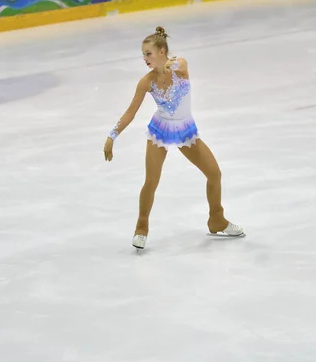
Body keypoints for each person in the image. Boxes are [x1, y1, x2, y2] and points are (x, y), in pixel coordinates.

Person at [104, 26, 244, 249]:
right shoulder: (146, 81)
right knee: (151, 181)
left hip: (186, 130)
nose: (144, 58)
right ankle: (141, 227)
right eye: (143, 54)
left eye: (148, 53)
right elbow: (131, 111)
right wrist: (112, 135)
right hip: (160, 131)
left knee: (214, 173)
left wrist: (172, 64)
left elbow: (179, 64)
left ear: (161, 51)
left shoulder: (180, 67)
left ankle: (216, 218)